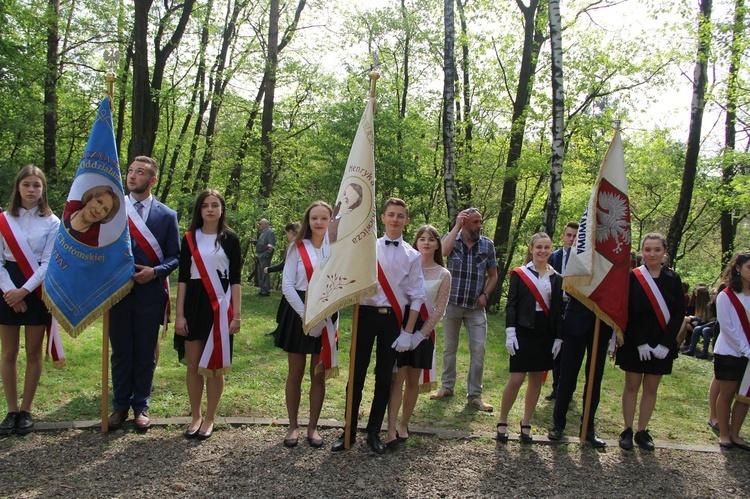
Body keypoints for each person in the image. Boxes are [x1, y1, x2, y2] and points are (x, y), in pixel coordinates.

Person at [331, 198, 426, 454]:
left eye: (400, 215)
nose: (395, 219)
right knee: (356, 375)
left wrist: (408, 331)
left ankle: (374, 431)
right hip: (365, 315)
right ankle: (348, 430)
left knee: (385, 377)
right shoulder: (366, 248)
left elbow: (417, 295)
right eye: (391, 214)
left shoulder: (413, 256)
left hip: (392, 320)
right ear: (382, 218)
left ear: (407, 220)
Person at [107, 156, 180, 431]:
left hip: (150, 293)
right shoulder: (113, 210)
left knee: (145, 352)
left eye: (140, 172)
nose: (132, 176)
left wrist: (156, 272)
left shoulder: (167, 215)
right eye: (130, 171)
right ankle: (119, 406)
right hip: (118, 293)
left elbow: (175, 257)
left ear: (152, 180)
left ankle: (141, 406)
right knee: (122, 350)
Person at [174, 189, 241, 440]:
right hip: (193, 302)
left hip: (220, 305)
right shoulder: (189, 238)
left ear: (222, 209)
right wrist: (179, 314)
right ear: (199, 210)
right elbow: (181, 278)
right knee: (193, 365)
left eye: (215, 205)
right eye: (205, 205)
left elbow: (236, 279)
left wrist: (237, 315)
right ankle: (195, 415)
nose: (210, 209)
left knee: (215, 367)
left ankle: (210, 417)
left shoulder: (231, 239)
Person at [0, 165, 60, 436]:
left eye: (37, 185)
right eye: (27, 185)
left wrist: (23, 291)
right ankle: (11, 410)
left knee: (33, 352)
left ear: (43, 189)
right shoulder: (3, 220)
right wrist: (11, 293)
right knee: (9, 353)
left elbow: (48, 263)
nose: (32, 190)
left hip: (35, 289)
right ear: (18, 187)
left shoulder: (52, 222)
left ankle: (26, 410)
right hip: (6, 287)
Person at [275, 202, 337, 448]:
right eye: (314, 218)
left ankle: (313, 427)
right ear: (307, 220)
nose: (319, 223)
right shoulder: (296, 248)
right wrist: (306, 316)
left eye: (324, 218)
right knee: (296, 373)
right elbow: (287, 285)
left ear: (331, 220)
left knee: (318, 375)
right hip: (298, 312)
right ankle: (293, 426)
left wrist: (321, 318)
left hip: (327, 312)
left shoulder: (338, 250)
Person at [616, 233, 684, 451]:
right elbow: (628, 311)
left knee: (651, 388)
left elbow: (678, 313)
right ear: (642, 251)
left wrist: (666, 343)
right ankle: (626, 428)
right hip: (636, 341)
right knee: (632, 384)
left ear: (664, 251)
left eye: (656, 250)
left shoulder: (673, 279)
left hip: (662, 342)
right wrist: (640, 342)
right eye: (647, 250)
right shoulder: (633, 277)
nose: (652, 254)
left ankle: (642, 431)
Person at [387, 225, 451, 447]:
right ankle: (391, 427)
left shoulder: (444, 274)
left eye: (431, 239)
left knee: (412, 381)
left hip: (423, 332)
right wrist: (406, 333)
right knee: (397, 380)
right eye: (422, 238)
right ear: (416, 242)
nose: (426, 242)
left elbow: (440, 310)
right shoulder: (405, 265)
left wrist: (419, 336)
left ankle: (404, 424)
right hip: (401, 326)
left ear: (437, 245)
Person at [496, 233, 563, 443]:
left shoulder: (557, 277)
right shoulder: (519, 274)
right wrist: (510, 332)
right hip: (523, 330)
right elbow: (512, 305)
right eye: (539, 247)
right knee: (516, 378)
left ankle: (526, 422)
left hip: (545, 332)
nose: (543, 251)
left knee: (536, 379)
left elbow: (558, 310)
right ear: (531, 248)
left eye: (547, 247)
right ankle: (502, 420)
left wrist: (558, 338)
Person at [431, 207, 498, 412]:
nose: (479, 226)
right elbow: (443, 252)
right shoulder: (452, 240)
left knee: (478, 351)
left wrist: (485, 294)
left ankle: (475, 395)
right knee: (449, 349)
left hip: (475, 308)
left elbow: (493, 275)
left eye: (480, 222)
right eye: (475, 222)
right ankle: (447, 387)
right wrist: (456, 226)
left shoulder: (487, 244)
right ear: (465, 222)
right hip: (452, 304)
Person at [713, 251, 750, 451]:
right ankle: (725, 434)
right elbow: (727, 328)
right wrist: (745, 348)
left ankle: (736, 434)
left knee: (745, 397)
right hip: (730, 352)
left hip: (749, 355)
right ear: (738, 268)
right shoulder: (726, 296)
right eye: (749, 267)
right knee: (727, 394)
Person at [546, 222, 578, 400]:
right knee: (556, 348)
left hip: (574, 306)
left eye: (575, 236)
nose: (572, 239)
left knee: (569, 350)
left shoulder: (583, 259)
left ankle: (567, 389)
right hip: (557, 304)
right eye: (569, 235)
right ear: (563, 236)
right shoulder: (554, 257)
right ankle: (556, 386)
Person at [264, 222, 300, 337]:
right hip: (293, 283)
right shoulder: (296, 244)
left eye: (287, 234)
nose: (287, 236)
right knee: (284, 309)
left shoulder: (295, 246)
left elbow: (285, 265)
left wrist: (270, 269)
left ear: (290, 232)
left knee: (287, 309)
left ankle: (282, 332)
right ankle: (280, 330)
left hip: (294, 284)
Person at [249, 218, 275, 296]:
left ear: (265, 225)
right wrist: (254, 242)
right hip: (260, 256)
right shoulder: (263, 232)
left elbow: (271, 245)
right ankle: (262, 289)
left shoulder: (270, 232)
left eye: (260, 224)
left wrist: (266, 255)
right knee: (260, 273)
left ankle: (266, 291)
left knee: (264, 273)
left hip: (264, 256)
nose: (258, 225)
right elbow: (262, 244)